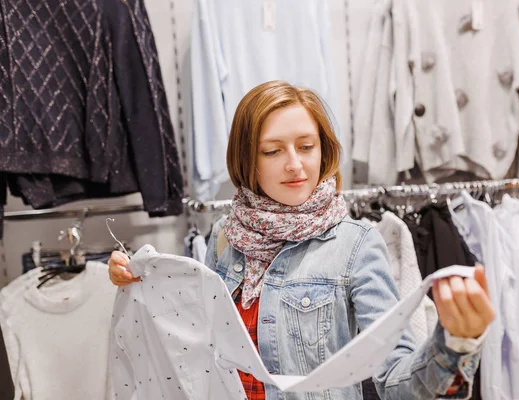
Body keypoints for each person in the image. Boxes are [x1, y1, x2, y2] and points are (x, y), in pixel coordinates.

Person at [108, 80, 495, 399]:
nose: (295, 164)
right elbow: (195, 351)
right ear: (248, 160)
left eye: (307, 147)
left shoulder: (355, 246)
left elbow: (395, 381)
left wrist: (455, 344)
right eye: (273, 151)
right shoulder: (224, 239)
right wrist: (141, 279)